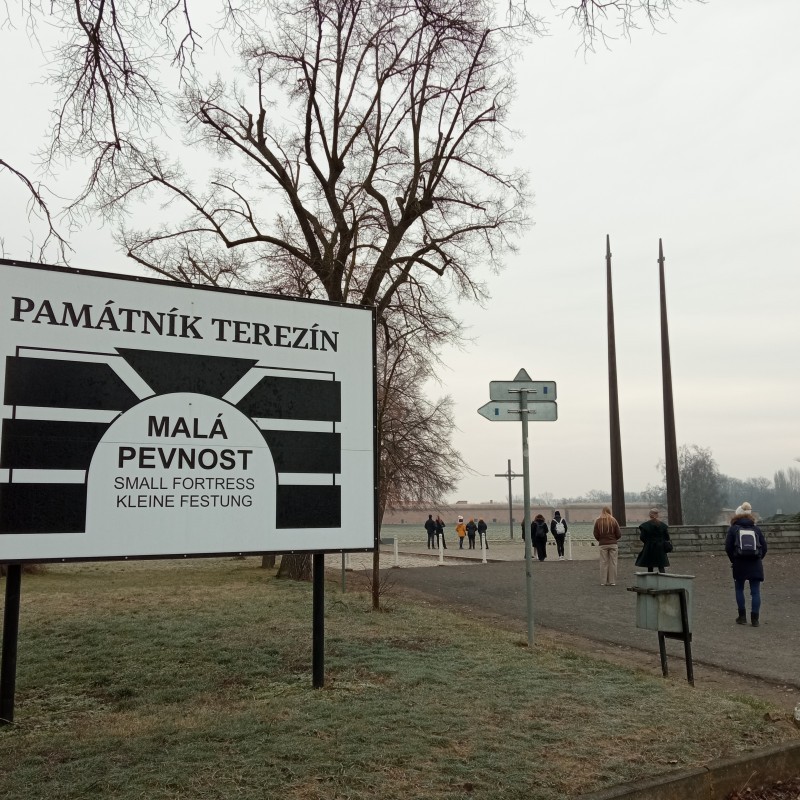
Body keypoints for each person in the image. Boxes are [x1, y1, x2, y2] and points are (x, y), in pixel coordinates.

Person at [725, 501, 768, 627]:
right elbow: (764, 547)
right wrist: (758, 558)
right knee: (755, 591)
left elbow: (728, 547)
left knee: (739, 589)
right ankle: (755, 619)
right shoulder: (756, 529)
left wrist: (734, 560)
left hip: (739, 563)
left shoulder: (733, 529)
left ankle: (742, 617)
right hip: (755, 563)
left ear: (737, 515)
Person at [635, 508, 671, 573]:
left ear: (650, 515)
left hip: (649, 547)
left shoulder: (645, 526)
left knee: (650, 565)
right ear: (657, 515)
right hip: (660, 547)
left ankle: (650, 578)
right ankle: (663, 577)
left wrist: (648, 542)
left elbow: (642, 537)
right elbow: (667, 537)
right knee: (661, 565)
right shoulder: (663, 525)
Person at [593, 506, 621, 586]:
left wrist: (600, 539)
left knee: (603, 563)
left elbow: (595, 533)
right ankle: (612, 581)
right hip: (613, 544)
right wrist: (614, 539)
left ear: (602, 511)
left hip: (603, 544)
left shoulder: (598, 521)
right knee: (613, 562)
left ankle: (603, 581)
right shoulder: (613, 520)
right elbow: (619, 534)